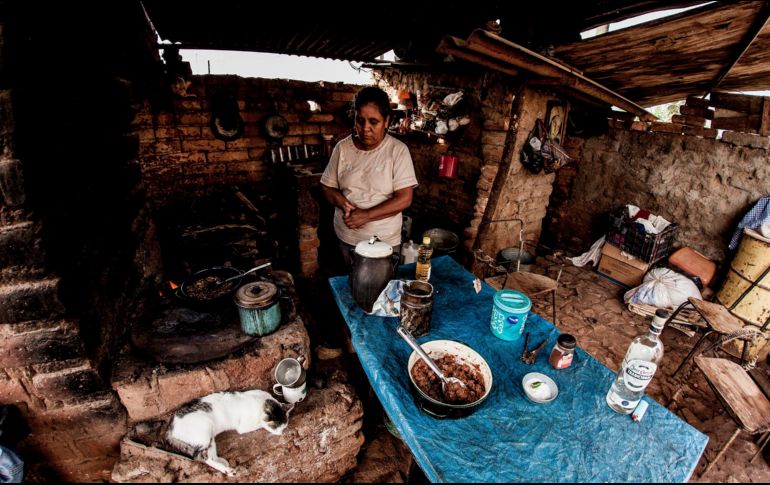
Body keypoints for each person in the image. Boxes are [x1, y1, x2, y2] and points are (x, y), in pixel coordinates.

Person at [320, 86, 418, 268]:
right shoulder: (342, 148)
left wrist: (366, 215)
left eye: (374, 122)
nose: (366, 128)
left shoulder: (397, 151)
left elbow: (405, 198)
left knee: (381, 291)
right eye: (360, 120)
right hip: (346, 237)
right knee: (349, 287)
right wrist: (343, 203)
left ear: (387, 121)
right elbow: (327, 187)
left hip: (383, 241)